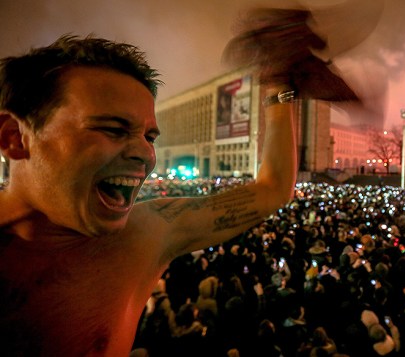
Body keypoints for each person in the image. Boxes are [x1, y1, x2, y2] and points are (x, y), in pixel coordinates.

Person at [0, 8, 359, 353]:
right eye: (113, 129)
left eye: (149, 137)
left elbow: (271, 190)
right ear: (15, 138)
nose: (145, 154)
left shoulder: (144, 236)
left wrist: (280, 86)